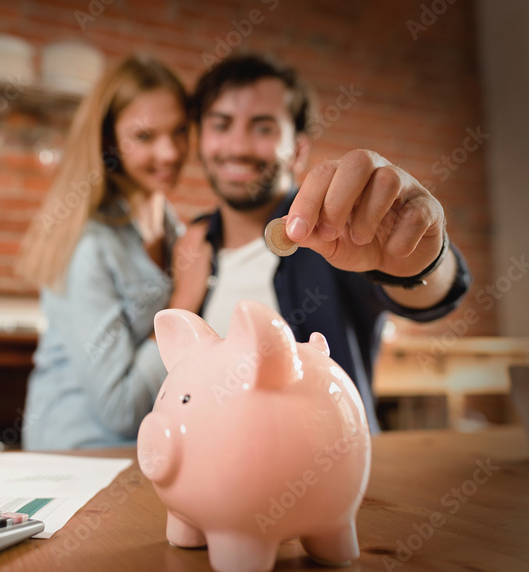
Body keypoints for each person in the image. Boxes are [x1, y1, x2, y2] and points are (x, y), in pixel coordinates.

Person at [184, 52, 471, 433]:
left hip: (328, 476)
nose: (238, 145)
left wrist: (422, 261)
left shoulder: (339, 229)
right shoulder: (188, 244)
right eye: (221, 125)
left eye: (263, 128)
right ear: (201, 139)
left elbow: (433, 294)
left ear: (298, 150)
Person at [16, 54, 207, 450]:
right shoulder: (87, 244)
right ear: (109, 141)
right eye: (145, 137)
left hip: (143, 454)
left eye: (179, 131)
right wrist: (185, 303)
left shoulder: (175, 230)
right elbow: (120, 409)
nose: (170, 153)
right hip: (78, 460)